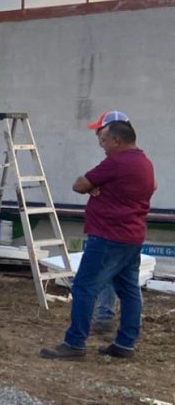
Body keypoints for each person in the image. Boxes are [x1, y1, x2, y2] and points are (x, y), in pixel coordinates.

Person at [40, 118, 155, 360]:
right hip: (132, 236)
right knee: (129, 289)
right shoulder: (144, 162)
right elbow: (151, 186)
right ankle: (125, 344)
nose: (101, 145)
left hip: (108, 235)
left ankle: (74, 343)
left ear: (117, 140)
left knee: (83, 287)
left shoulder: (116, 162)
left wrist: (95, 187)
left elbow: (79, 185)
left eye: (104, 140)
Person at [84, 111, 130, 337]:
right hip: (124, 231)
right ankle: (113, 323)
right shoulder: (127, 160)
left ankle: (101, 318)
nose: (97, 137)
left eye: (100, 132)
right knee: (123, 281)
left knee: (92, 279)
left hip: (109, 229)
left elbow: (80, 184)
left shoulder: (117, 161)